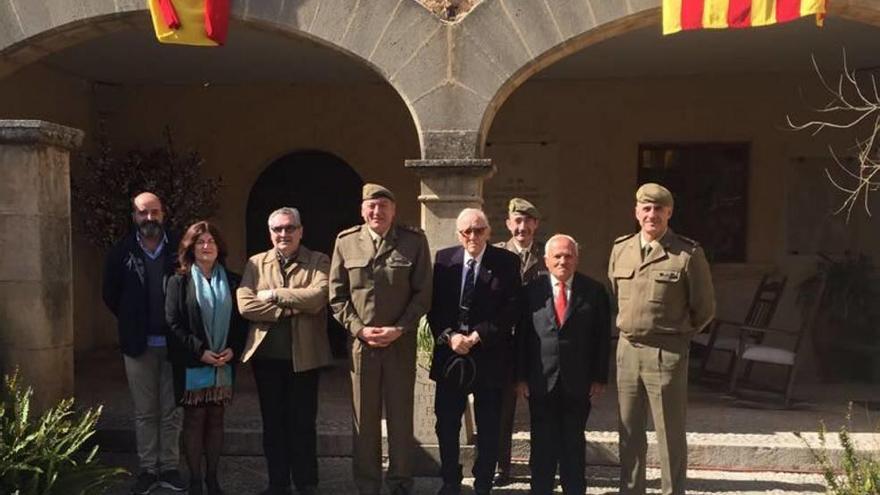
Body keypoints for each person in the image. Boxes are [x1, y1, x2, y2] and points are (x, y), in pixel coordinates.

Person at [608, 183, 716, 495]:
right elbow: (618, 294)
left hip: (666, 352)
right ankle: (631, 490)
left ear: (669, 213)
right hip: (627, 351)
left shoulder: (687, 254)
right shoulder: (621, 249)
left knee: (669, 433)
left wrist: (676, 337)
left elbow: (705, 308)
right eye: (646, 208)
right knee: (629, 430)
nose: (651, 214)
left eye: (658, 209)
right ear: (636, 212)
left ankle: (673, 491)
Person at [329, 184, 432, 495]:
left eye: (383, 206)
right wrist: (358, 328)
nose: (377, 212)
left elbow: (422, 294)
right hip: (362, 346)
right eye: (371, 206)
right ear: (362, 210)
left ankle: (401, 483)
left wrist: (399, 328)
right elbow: (337, 296)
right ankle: (367, 485)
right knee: (365, 421)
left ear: (393, 210)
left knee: (401, 418)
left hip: (400, 344)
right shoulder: (346, 243)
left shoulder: (413, 242)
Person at [237, 207, 333, 495]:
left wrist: (275, 295)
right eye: (278, 229)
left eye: (289, 228)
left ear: (301, 231)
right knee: (273, 424)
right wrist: (288, 310)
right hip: (267, 358)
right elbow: (245, 305)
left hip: (305, 357)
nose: (284, 234)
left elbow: (318, 297)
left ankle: (306, 483)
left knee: (303, 424)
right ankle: (277, 483)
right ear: (270, 233)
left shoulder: (318, 260)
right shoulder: (255, 263)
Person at [428, 208, 520, 495]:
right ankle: (450, 480)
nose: (472, 236)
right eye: (466, 231)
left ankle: (483, 482)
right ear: (458, 234)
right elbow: (434, 308)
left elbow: (512, 309)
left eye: (478, 230)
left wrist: (479, 334)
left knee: (490, 425)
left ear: (489, 232)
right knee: (446, 423)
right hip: (451, 354)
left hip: (489, 354)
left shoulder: (506, 262)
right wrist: (450, 336)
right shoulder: (444, 261)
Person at [102, 191, 186, 494]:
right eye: (142, 213)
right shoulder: (120, 252)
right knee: (145, 411)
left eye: (154, 212)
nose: (148, 218)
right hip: (138, 344)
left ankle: (171, 467)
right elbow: (110, 294)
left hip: (175, 344)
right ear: (133, 216)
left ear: (163, 213)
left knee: (172, 410)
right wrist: (130, 319)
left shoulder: (181, 248)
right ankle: (149, 469)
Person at [516, 234, 610, 495]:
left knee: (573, 442)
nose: (562, 261)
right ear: (546, 260)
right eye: (557, 256)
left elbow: (602, 338)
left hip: (578, 381)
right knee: (542, 443)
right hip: (540, 380)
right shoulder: (530, 292)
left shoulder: (594, 291)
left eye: (568, 256)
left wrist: (599, 377)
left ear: (576, 259)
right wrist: (521, 377)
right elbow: (522, 337)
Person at [165, 221, 247, 495]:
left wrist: (233, 349)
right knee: (195, 419)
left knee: (216, 418)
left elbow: (241, 321)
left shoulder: (233, 280)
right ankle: (195, 480)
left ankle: (213, 478)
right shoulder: (178, 280)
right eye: (199, 242)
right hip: (193, 361)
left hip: (224, 362)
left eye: (211, 241)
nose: (206, 246)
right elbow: (173, 323)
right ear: (190, 247)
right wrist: (200, 351)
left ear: (219, 247)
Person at [492, 197, 545, 486]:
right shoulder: (496, 254)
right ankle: (502, 465)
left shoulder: (548, 255)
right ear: (508, 224)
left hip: (538, 343)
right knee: (502, 409)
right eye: (517, 221)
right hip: (506, 344)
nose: (521, 226)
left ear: (535, 224)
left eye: (527, 221)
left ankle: (542, 465)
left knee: (541, 406)